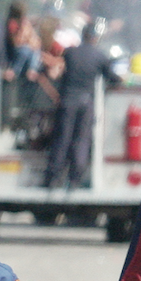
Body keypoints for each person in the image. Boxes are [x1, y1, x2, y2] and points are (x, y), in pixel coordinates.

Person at [42, 21, 116, 190]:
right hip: (85, 103)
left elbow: (60, 70)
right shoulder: (100, 56)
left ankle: (52, 178)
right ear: (96, 38)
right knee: (81, 140)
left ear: (83, 35)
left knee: (62, 138)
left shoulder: (70, 53)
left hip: (67, 101)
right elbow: (112, 76)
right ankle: (74, 179)